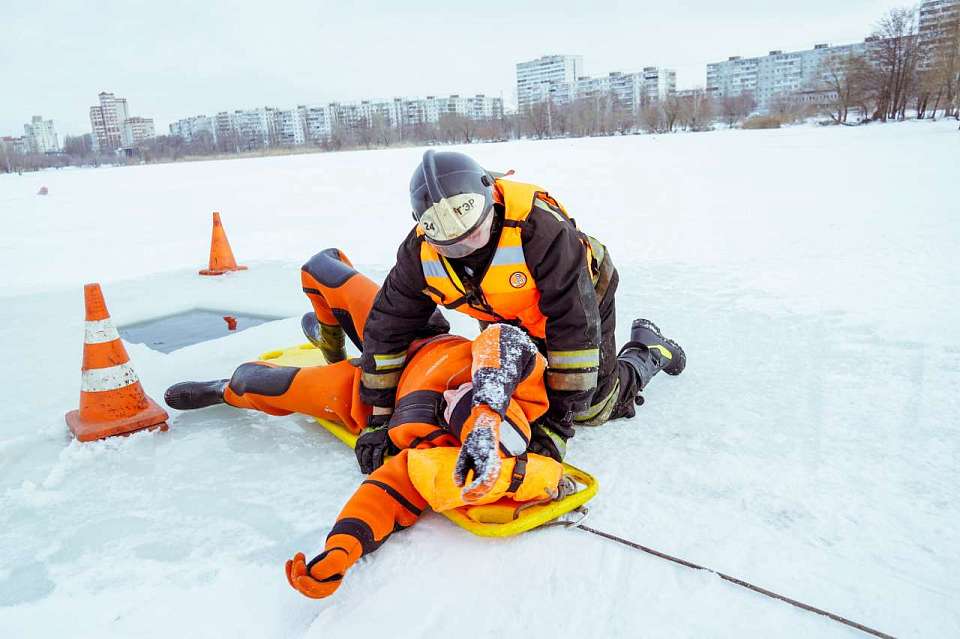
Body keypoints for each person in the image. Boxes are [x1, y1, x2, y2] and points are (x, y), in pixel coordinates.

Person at [164, 249, 680, 599]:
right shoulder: (525, 391)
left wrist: (340, 551)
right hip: (421, 339)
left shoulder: (433, 464)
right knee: (324, 269)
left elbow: (385, 496)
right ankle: (328, 329)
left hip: (357, 395)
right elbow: (506, 341)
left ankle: (223, 388)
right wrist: (486, 410)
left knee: (256, 381)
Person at [344, 150, 686, 462]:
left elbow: (573, 328)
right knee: (523, 392)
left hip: (582, 299)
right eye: (451, 246)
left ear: (491, 197)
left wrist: (558, 425)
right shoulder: (417, 255)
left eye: (472, 236)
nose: (464, 248)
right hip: (506, 313)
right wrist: (378, 418)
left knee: (591, 407)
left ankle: (647, 351)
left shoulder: (541, 230)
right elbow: (387, 329)